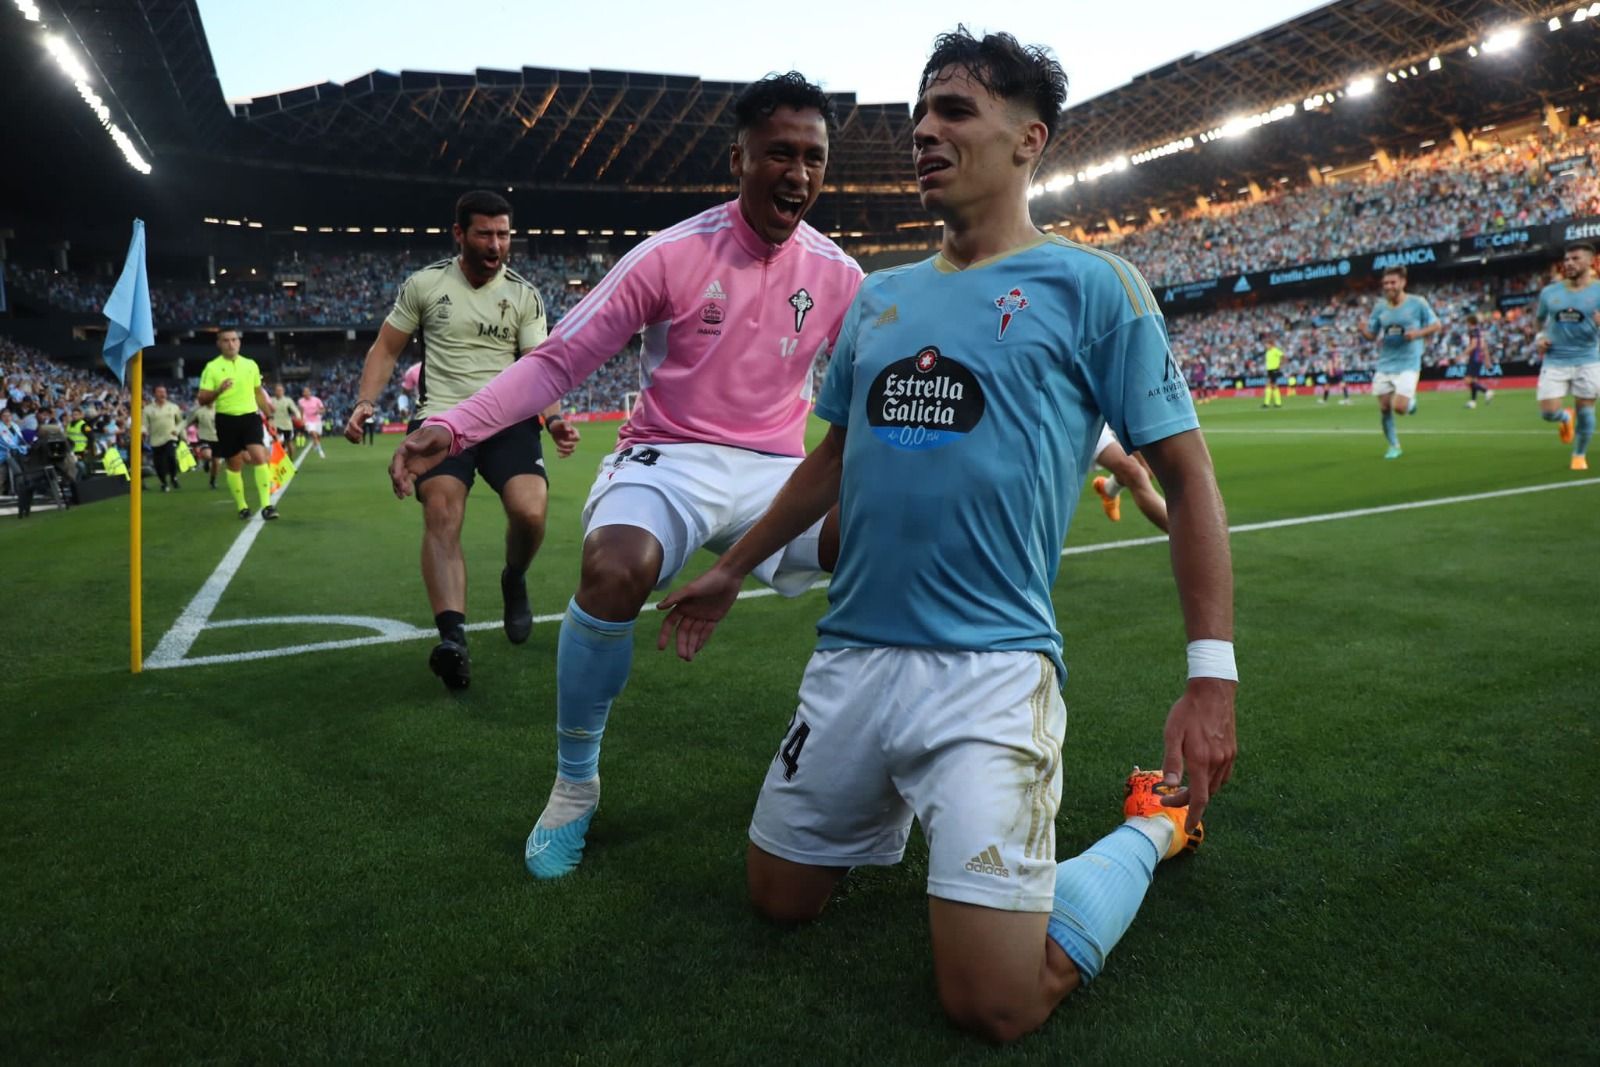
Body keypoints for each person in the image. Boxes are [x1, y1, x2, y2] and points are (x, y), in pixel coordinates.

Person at [655, 29, 1236, 1044]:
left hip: (991, 673)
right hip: (850, 657)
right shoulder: (881, 298)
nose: (924, 130)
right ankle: (909, 811)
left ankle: (1152, 823)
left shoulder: (1094, 288)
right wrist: (732, 569)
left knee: (994, 1002)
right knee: (778, 898)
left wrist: (1210, 675)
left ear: (1028, 138)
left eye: (955, 111)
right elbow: (831, 460)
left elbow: (1186, 478)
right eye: (920, 113)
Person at [389, 73, 865, 875]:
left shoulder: (840, 275)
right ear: (738, 157)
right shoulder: (672, 254)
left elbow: (874, 407)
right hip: (668, 459)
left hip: (778, 471)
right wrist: (456, 423)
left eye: (814, 157)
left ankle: (857, 768)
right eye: (779, 153)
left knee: (884, 542)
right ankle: (575, 786)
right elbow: (562, 358)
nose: (799, 174)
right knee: (616, 568)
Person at [346, 189, 578, 691]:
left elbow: (541, 369)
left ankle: (514, 577)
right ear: (459, 234)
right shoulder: (426, 284)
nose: (496, 244)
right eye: (485, 233)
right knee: (443, 512)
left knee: (530, 511)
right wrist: (366, 402)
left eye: (504, 234)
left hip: (508, 420)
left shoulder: (524, 294)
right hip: (440, 421)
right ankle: (453, 639)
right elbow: (386, 348)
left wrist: (555, 420)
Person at [197, 328, 279, 520]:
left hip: (250, 417)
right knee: (234, 464)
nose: (231, 344)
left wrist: (270, 417)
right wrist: (218, 390)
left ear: (239, 342)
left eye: (234, 339)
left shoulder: (250, 365)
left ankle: (267, 505)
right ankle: (242, 506)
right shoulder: (212, 367)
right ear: (219, 343)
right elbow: (202, 399)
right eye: (226, 340)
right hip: (226, 419)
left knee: (259, 456)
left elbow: (258, 392)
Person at [1358, 266, 1439, 460]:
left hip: (1408, 363)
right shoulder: (1380, 307)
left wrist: (1417, 334)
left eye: (1393, 282)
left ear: (1403, 282)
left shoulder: (1417, 303)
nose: (1388, 286)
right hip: (1385, 363)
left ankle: (1410, 404)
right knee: (1384, 407)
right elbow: (1372, 334)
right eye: (1385, 283)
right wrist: (1363, 330)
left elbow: (1437, 325)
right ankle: (1394, 446)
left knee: (1400, 408)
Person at [1533, 241, 1600, 470]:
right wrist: (1539, 338)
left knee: (1587, 413)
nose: (1569, 263)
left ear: (1590, 261)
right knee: (1547, 412)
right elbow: (1539, 320)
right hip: (1555, 359)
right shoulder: (1550, 293)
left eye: (1575, 259)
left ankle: (1579, 455)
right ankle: (1564, 418)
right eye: (1567, 259)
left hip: (1588, 359)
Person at [1090, 425, 1167, 530]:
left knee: (1147, 469)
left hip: (1106, 413)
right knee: (1135, 474)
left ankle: (1108, 488)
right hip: (1084, 420)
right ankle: (1189, 536)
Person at [144, 385, 184, 492]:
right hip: (155, 439)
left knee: (171, 456)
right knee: (159, 463)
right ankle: (163, 482)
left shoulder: (174, 407)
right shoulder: (148, 409)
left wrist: (182, 435)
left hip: (170, 436)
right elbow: (144, 424)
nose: (162, 394)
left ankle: (174, 477)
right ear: (154, 394)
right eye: (160, 392)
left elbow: (180, 422)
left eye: (164, 392)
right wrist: (142, 432)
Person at [183, 398, 220, 488]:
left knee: (216, 462)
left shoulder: (219, 409)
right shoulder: (199, 411)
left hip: (217, 438)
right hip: (204, 437)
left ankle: (213, 480)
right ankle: (206, 461)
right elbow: (187, 422)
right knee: (208, 455)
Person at [1461, 314, 1494, 409]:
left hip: (1474, 357)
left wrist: (1463, 354)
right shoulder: (1479, 331)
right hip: (1479, 357)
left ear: (1470, 322)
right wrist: (1487, 359)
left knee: (1467, 380)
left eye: (1467, 322)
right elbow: (1483, 346)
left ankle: (1487, 391)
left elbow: (1473, 345)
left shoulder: (1473, 331)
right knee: (1474, 380)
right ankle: (1473, 402)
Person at [269, 384, 300, 453]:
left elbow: (295, 409)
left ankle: (290, 457)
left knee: (288, 442)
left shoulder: (288, 400)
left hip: (287, 425)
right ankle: (279, 457)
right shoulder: (271, 400)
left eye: (280, 390)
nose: (279, 392)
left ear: (283, 391)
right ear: (274, 391)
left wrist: (298, 416)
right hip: (276, 425)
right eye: (277, 390)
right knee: (276, 442)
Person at [299, 386, 327, 458]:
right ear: (303, 393)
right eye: (305, 392)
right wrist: (302, 419)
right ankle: (321, 451)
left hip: (317, 420)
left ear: (310, 392)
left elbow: (323, 410)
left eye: (308, 391)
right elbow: (301, 411)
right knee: (313, 434)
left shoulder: (316, 400)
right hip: (308, 421)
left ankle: (316, 445)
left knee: (318, 436)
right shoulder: (301, 401)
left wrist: (319, 411)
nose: (306, 393)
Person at [1261, 334, 1284, 408]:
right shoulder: (1268, 352)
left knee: (1270, 385)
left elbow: (1283, 356)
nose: (1266, 346)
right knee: (1273, 386)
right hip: (1269, 370)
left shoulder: (1275, 350)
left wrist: (1280, 365)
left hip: (1274, 369)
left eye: (1267, 345)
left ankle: (1267, 403)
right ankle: (1277, 403)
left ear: (1271, 344)